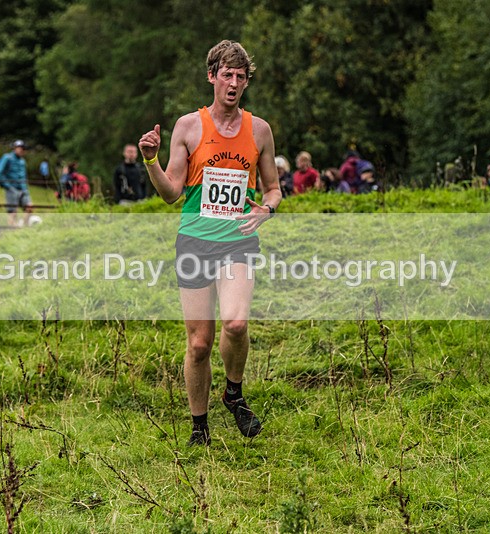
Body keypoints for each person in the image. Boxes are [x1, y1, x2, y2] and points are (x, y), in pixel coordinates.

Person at [138, 39, 281, 446]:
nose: (233, 83)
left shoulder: (259, 130)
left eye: (241, 77)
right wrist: (150, 160)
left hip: (238, 241)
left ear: (246, 82)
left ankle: (233, 393)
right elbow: (171, 193)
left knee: (236, 324)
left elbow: (273, 189)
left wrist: (266, 210)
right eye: (226, 75)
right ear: (212, 77)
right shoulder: (188, 127)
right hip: (195, 242)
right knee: (199, 344)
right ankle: (199, 427)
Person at [0, 140, 32, 226]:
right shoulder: (7, 158)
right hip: (12, 188)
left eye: (23, 148)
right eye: (20, 148)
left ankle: (23, 227)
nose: (22, 150)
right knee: (12, 212)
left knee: (29, 207)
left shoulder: (22, 161)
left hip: (23, 189)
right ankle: (12, 231)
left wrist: (25, 187)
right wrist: (7, 186)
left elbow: (24, 176)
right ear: (15, 148)